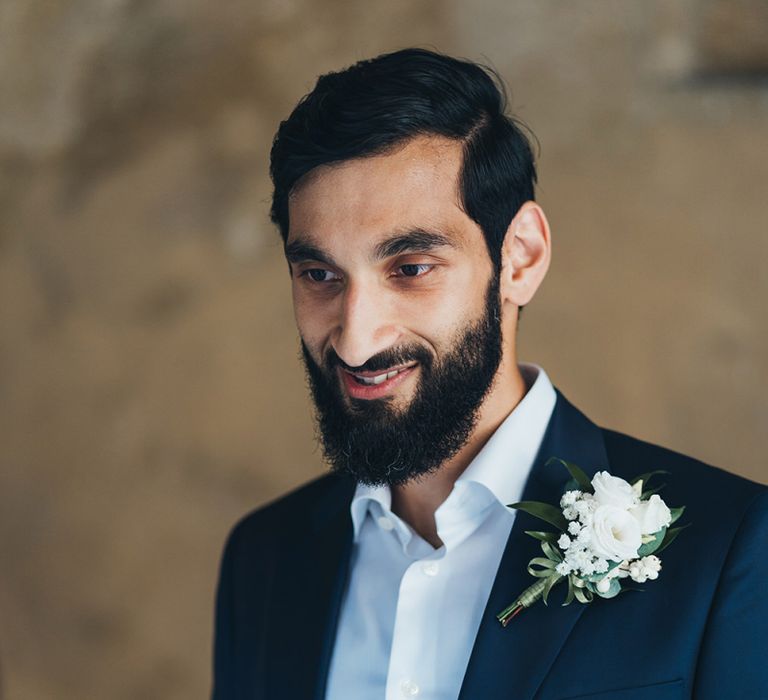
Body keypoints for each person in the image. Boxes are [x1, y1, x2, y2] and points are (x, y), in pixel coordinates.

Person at [211, 48, 768, 700]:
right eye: (318, 275)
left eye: (410, 268)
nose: (356, 340)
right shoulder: (265, 558)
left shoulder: (729, 549)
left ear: (521, 258)